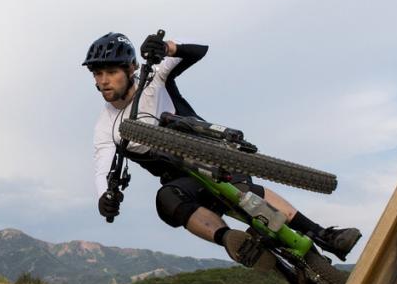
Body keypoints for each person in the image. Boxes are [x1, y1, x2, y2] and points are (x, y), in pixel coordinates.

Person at [86, 31, 361, 267]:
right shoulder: (105, 126)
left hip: (214, 156)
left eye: (111, 72)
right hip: (183, 181)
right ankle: (232, 241)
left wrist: (168, 47)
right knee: (166, 200)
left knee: (244, 195)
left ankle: (324, 235)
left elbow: (198, 51)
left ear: (131, 68)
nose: (104, 80)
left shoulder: (154, 80)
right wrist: (104, 199)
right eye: (98, 74)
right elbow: (102, 167)